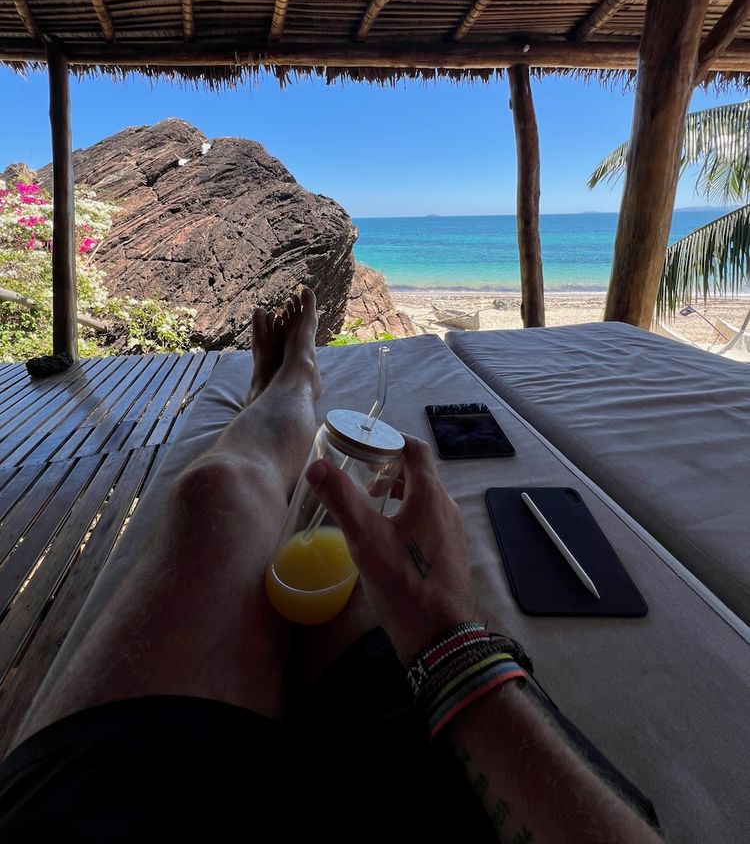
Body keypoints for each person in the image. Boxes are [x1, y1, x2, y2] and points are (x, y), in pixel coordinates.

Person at [0, 290, 661, 842]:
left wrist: (444, 631)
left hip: (116, 806)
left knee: (223, 491)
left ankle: (288, 388)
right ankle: (289, 385)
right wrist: (444, 632)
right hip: (476, 753)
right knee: (343, 562)